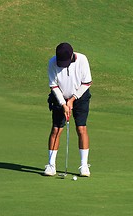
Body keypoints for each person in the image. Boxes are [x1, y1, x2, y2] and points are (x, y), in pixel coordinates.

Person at [44, 42, 93, 176]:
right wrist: (63, 104)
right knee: (56, 129)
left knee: (81, 128)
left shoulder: (82, 60)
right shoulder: (52, 62)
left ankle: (84, 166)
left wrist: (72, 100)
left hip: (80, 97)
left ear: (72, 56)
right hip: (59, 96)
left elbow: (87, 83)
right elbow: (53, 85)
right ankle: (51, 165)